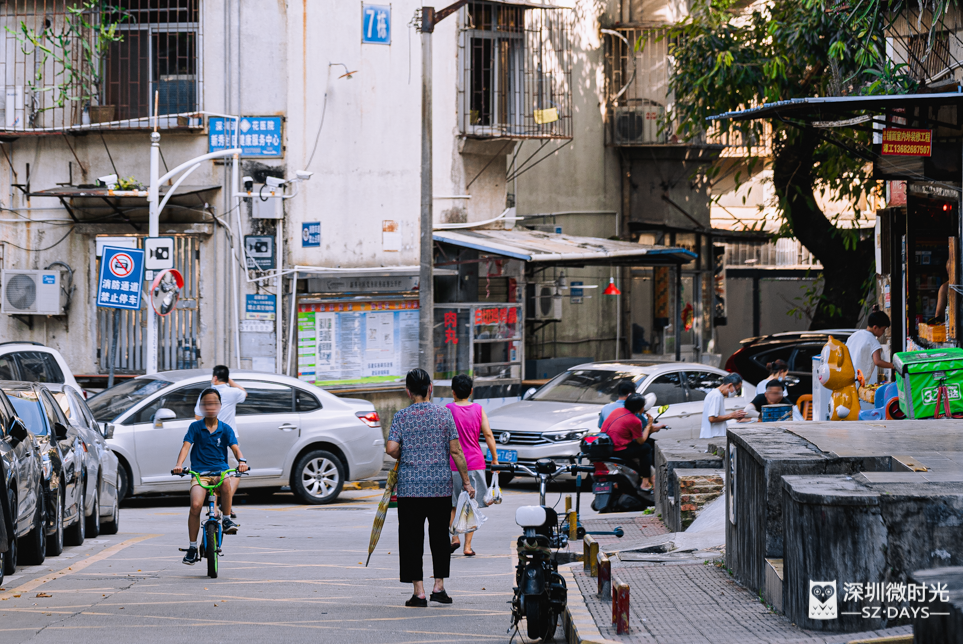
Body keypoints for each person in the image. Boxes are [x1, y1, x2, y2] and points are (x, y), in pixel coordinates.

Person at [385, 368, 474, 608]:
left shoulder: (401, 417)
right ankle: (439, 587)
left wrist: (406, 452)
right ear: (430, 389)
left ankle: (419, 592)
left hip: (410, 489)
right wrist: (466, 482)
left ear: (408, 391)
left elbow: (391, 448)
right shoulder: (444, 415)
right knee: (439, 538)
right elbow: (456, 450)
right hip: (439, 488)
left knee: (411, 539)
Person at [173, 388, 249, 564]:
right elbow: (186, 446)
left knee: (226, 482)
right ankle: (192, 547)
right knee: (196, 505)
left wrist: (242, 461)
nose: (210, 406)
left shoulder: (225, 429)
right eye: (206, 403)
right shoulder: (195, 427)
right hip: (199, 474)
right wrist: (179, 465)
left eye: (214, 403)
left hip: (219, 472)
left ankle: (228, 519)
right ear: (201, 407)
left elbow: (235, 448)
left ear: (220, 406)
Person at [446, 374, 498, 557]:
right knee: (471, 504)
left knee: (452, 505)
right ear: (471, 391)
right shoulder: (478, 409)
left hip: (452, 463)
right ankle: (468, 546)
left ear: (452, 392)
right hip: (475, 463)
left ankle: (454, 539)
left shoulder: (447, 409)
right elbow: (489, 434)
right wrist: (495, 459)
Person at [193, 365, 247, 518]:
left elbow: (197, 417)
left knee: (213, 471)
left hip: (209, 439)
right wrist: (229, 380)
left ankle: (214, 509)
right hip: (230, 440)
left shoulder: (206, 394)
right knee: (235, 471)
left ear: (215, 377)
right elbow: (244, 392)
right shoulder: (233, 392)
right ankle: (226, 500)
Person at [600, 393, 664, 491]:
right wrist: (648, 425)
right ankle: (645, 482)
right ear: (640, 408)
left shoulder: (617, 411)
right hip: (619, 450)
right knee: (646, 448)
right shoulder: (635, 420)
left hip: (607, 446)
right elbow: (641, 441)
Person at [845, 312, 893, 385]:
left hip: (845, 378)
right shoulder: (873, 341)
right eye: (883, 330)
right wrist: (893, 366)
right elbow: (878, 361)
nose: (883, 333)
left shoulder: (853, 336)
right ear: (875, 327)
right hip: (858, 381)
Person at [700, 373, 746, 439]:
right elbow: (712, 418)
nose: (736, 392)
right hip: (713, 437)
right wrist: (732, 415)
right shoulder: (716, 396)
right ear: (730, 385)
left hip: (713, 436)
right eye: (737, 389)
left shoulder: (718, 395)